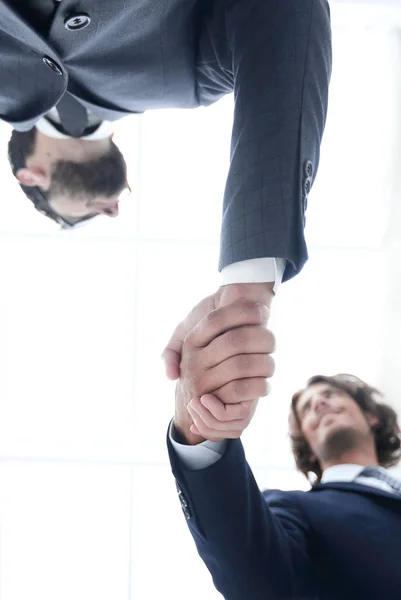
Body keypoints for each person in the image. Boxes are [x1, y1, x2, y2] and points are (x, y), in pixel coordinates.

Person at [3, 0, 331, 311]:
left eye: (76, 219)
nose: (114, 212)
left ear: (31, 176)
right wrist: (249, 280)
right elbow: (282, 13)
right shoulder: (192, 81)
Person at [167, 298, 401, 600]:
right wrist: (202, 430)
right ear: (308, 446)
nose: (318, 403)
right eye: (307, 409)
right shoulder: (295, 511)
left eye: (331, 394)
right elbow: (257, 582)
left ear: (370, 416)